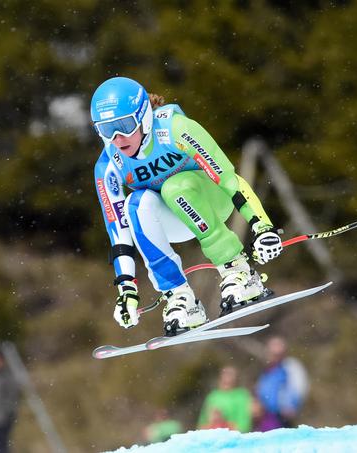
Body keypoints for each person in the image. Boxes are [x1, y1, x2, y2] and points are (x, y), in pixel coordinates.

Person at [90, 76, 283, 336]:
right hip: (176, 218)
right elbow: (118, 229)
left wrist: (262, 226)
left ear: (144, 116)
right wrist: (126, 288)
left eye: (124, 125)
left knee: (174, 187)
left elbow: (228, 179)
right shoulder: (109, 164)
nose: (117, 138)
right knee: (134, 204)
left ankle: (237, 269)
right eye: (106, 129)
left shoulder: (174, 129)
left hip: (212, 200)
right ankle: (180, 297)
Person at [254, 336, 309, 431]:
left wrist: (292, 405)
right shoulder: (267, 369)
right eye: (272, 352)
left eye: (278, 353)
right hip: (266, 416)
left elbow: (299, 386)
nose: (274, 355)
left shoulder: (290, 366)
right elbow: (261, 389)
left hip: (283, 415)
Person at [198, 366, 252, 433]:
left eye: (230, 374)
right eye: (225, 373)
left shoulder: (241, 395)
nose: (227, 377)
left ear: (236, 378)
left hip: (233, 435)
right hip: (213, 433)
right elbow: (202, 422)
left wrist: (225, 424)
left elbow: (244, 423)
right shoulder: (213, 396)